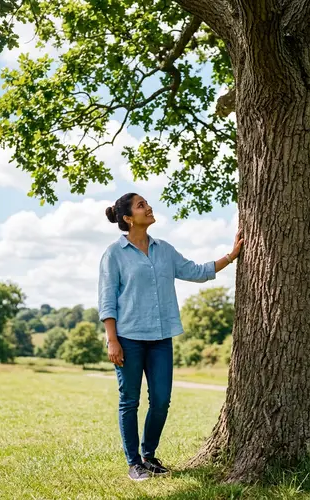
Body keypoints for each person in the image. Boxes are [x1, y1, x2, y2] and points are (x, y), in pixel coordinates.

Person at [98, 192, 244, 481]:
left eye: (146, 203)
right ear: (128, 218)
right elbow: (107, 299)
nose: (149, 207)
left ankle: (149, 456)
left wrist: (231, 256)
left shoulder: (164, 250)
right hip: (128, 337)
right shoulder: (114, 254)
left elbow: (196, 271)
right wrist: (111, 339)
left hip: (161, 338)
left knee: (162, 400)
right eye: (141, 205)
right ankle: (133, 463)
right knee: (129, 400)